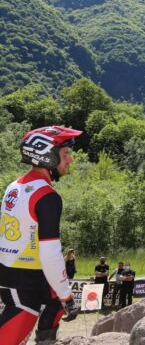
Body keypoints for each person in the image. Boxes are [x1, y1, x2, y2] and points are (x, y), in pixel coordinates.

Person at [0, 125, 81, 342]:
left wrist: (63, 296)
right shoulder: (47, 196)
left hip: (17, 271)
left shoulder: (15, 185)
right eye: (65, 155)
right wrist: (66, 294)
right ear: (47, 157)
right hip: (25, 279)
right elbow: (50, 253)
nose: (70, 160)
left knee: (57, 302)